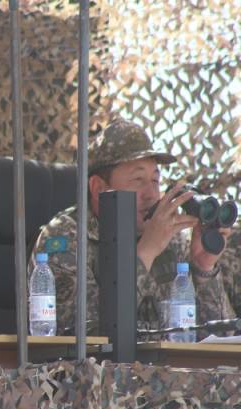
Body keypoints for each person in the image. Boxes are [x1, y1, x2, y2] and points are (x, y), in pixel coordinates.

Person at [29, 118, 234, 336]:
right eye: (138, 180)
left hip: (168, 359)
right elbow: (83, 335)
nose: (151, 194)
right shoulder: (64, 237)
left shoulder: (172, 240)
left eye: (155, 181)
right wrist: (145, 253)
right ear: (99, 188)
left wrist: (203, 269)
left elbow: (222, 339)